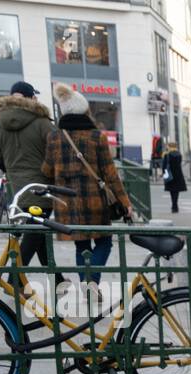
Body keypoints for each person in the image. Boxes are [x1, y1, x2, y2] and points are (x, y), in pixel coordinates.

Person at [41, 83, 131, 288]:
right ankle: (90, 283)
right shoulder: (96, 136)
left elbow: (46, 170)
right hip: (94, 202)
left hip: (66, 203)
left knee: (81, 245)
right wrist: (124, 201)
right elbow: (110, 173)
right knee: (104, 242)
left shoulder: (54, 137)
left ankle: (85, 282)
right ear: (84, 110)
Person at [0, 81, 57, 281]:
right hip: (41, 185)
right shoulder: (42, 122)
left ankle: (57, 278)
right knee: (35, 231)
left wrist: (10, 169)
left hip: (16, 186)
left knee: (37, 230)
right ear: (31, 98)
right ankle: (14, 278)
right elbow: (57, 151)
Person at [162, 142, 186, 213]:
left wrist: (164, 174)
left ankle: (174, 206)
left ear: (169, 147)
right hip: (178, 175)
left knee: (172, 192)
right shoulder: (179, 155)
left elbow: (164, 166)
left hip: (170, 175)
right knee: (176, 191)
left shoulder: (167, 155)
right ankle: (175, 206)